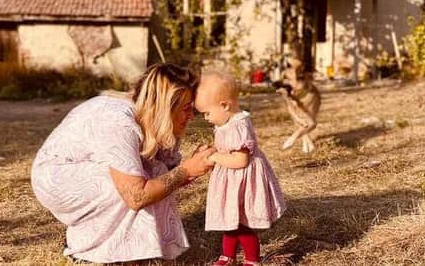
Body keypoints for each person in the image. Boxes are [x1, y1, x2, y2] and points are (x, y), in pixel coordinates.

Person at [31, 63, 216, 263]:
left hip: (86, 167)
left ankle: (133, 248)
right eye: (186, 109)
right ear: (164, 107)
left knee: (153, 173)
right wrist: (187, 170)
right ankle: (92, 250)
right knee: (130, 186)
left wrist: (195, 167)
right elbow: (137, 196)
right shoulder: (119, 122)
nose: (191, 116)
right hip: (57, 178)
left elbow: (167, 176)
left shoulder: (151, 117)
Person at [195, 70, 286, 266]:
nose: (206, 118)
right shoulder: (226, 123)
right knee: (230, 219)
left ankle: (252, 259)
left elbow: (240, 160)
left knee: (242, 223)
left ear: (225, 106)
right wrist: (212, 150)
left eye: (207, 113)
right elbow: (226, 149)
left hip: (243, 182)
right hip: (232, 181)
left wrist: (215, 156)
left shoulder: (239, 126)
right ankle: (228, 255)